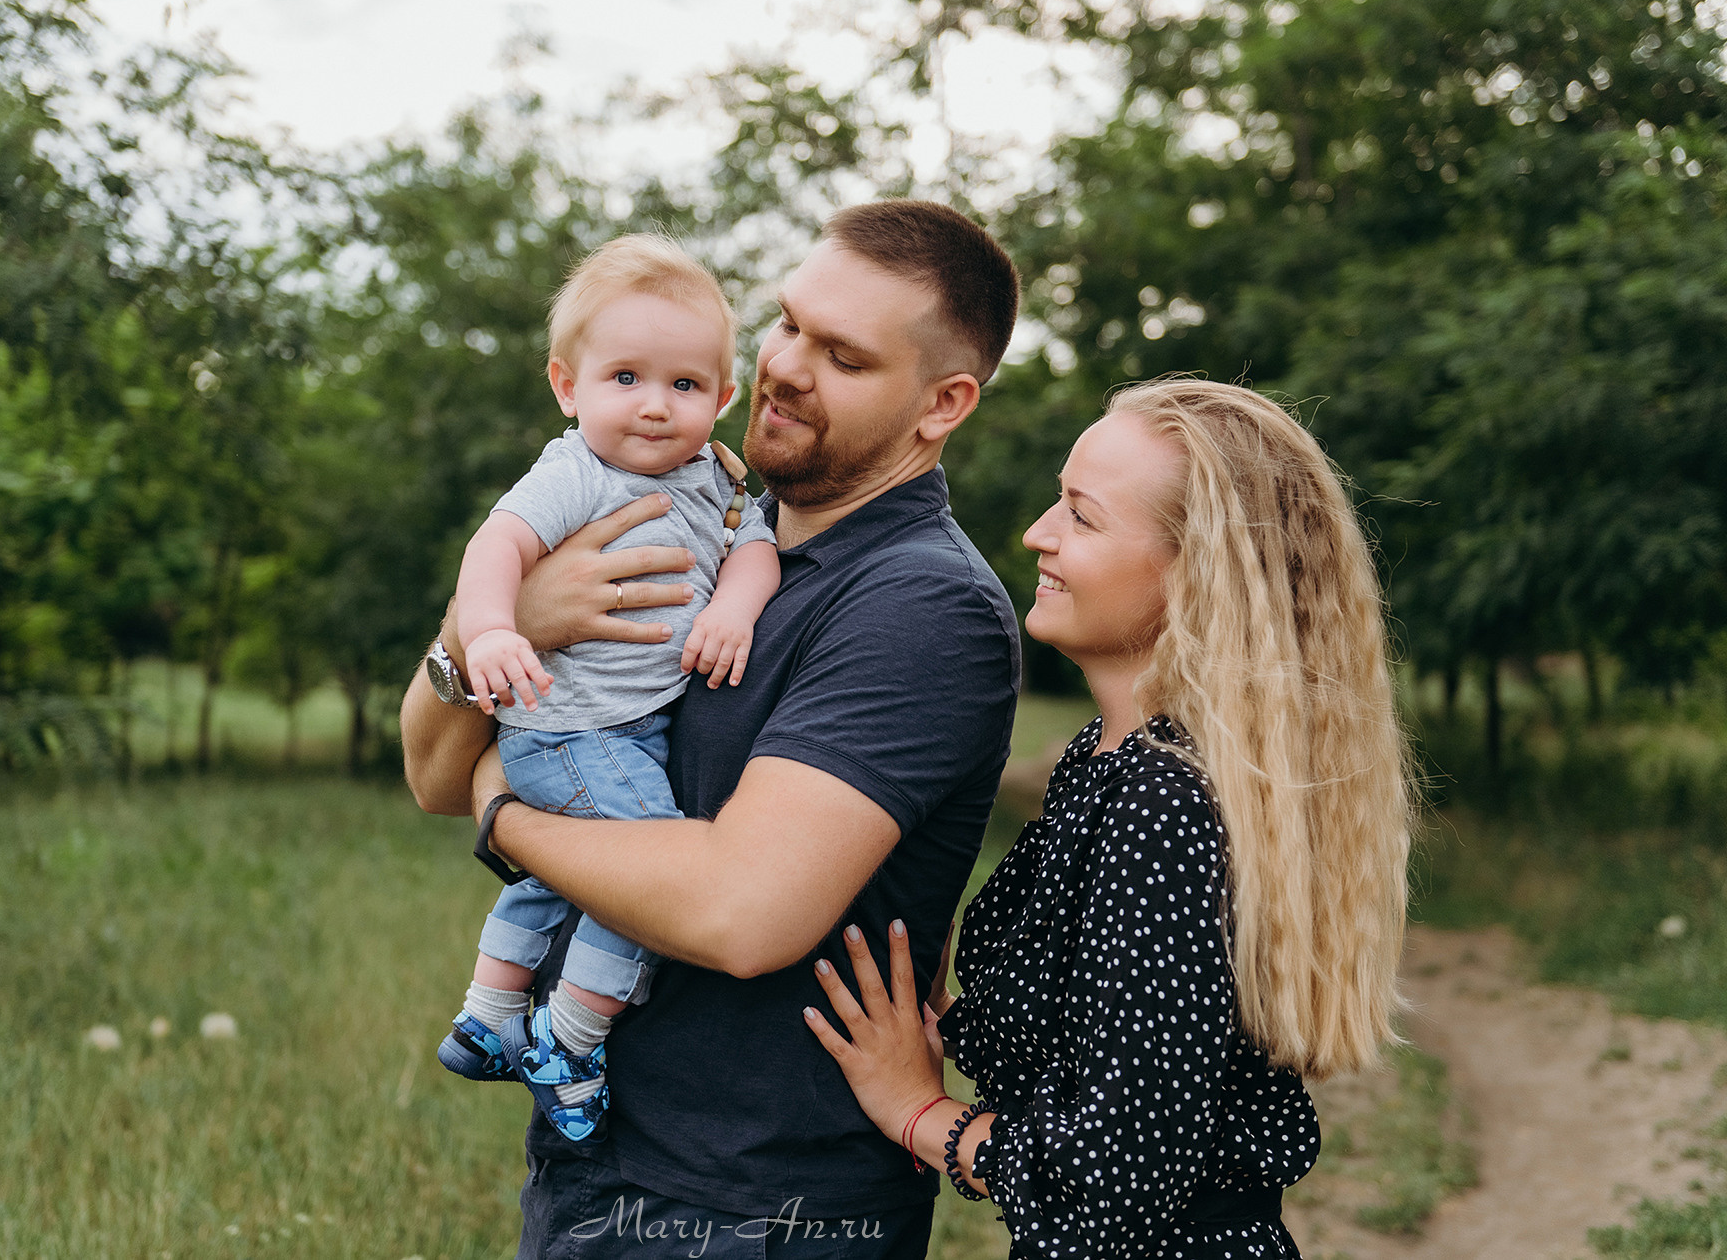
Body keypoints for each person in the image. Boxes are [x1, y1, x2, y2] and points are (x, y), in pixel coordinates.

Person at [401, 199, 1023, 1257]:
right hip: (600, 1161)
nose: (782, 366)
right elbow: (426, 766)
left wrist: (505, 817)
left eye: (842, 355)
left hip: (757, 1202)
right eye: (785, 323)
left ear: (940, 403)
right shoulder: (697, 512)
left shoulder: (920, 606)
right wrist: (505, 627)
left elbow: (743, 911)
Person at [802, 377, 1414, 1258]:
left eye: (1081, 518)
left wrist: (919, 1111)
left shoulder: (1161, 802)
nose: (1037, 534)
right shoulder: (1110, 761)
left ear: (1195, 572)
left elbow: (1109, 1184)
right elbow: (1111, 1050)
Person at [437, 234, 782, 1145]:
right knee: (657, 877)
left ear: (724, 396)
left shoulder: (715, 477)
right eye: (624, 377)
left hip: (622, 731)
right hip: (573, 728)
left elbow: (754, 550)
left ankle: (489, 1012)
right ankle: (571, 1034)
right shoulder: (576, 473)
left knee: (562, 880)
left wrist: (736, 610)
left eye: (684, 385)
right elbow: (494, 549)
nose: (656, 407)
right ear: (567, 385)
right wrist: (496, 628)